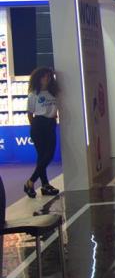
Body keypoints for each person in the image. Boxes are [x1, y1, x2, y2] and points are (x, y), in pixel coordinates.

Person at [24, 67, 60, 198]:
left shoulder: (53, 92)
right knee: (43, 156)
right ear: (38, 78)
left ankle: (31, 182)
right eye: (44, 76)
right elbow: (30, 114)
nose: (47, 78)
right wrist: (35, 127)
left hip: (51, 124)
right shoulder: (33, 94)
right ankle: (43, 185)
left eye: (49, 76)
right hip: (39, 124)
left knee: (48, 155)